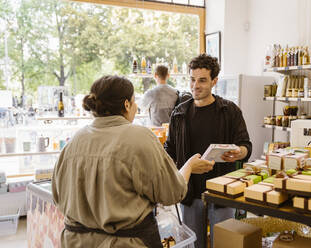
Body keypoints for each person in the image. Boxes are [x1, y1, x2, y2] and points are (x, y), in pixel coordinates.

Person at [52, 75, 215, 248]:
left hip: (74, 242)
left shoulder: (74, 142)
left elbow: (57, 196)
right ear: (126, 104)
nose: (136, 106)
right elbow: (172, 193)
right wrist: (189, 166)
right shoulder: (139, 137)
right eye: (134, 101)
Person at [164, 54, 252, 248]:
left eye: (202, 80)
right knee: (193, 244)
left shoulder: (230, 111)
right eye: (192, 79)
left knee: (223, 243)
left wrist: (239, 152)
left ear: (214, 81)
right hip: (189, 192)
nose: (195, 85)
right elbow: (168, 150)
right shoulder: (179, 114)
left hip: (221, 191)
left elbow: (246, 145)